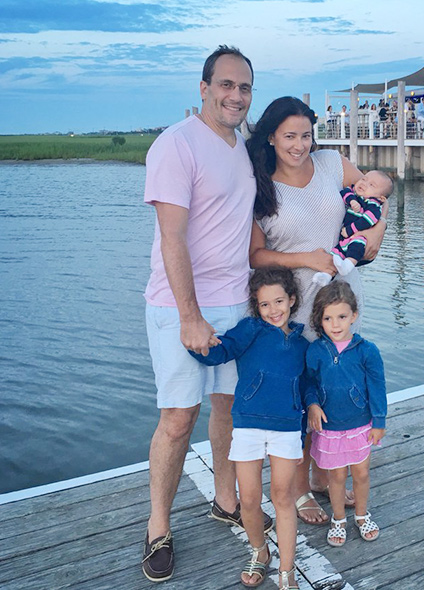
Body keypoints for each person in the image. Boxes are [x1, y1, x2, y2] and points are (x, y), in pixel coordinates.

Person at [141, 45, 273, 583]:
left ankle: (227, 501)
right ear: (204, 88)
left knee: (228, 407)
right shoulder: (176, 144)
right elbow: (171, 236)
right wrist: (191, 316)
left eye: (244, 87)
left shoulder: (243, 147)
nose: (235, 95)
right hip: (181, 307)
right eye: (226, 85)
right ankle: (156, 527)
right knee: (178, 419)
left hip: (236, 301)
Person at [246, 96, 387, 526]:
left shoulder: (332, 163)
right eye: (289, 136)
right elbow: (256, 256)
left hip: (340, 302)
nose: (299, 144)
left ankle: (331, 475)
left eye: (306, 135)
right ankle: (302, 488)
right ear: (271, 137)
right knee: (304, 402)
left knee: (339, 392)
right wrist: (305, 257)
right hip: (293, 307)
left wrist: (375, 237)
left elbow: (375, 198)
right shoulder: (261, 186)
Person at [189, 267, 308, 589]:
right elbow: (221, 351)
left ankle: (287, 569)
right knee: (250, 500)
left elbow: (308, 388)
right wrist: (196, 341)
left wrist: (306, 423)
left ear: (292, 300)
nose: (273, 310)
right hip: (247, 427)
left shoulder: (303, 344)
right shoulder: (250, 330)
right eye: (265, 304)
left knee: (283, 497)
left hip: (286, 430)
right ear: (256, 306)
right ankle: (260, 550)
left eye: (279, 301)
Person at [305, 282, 386, 547]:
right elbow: (308, 383)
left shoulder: (367, 351)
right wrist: (313, 404)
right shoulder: (316, 351)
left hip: (361, 425)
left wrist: (379, 421)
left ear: (354, 315)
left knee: (361, 473)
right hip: (330, 427)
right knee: (336, 477)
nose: (335, 324)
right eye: (328, 318)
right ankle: (338, 519)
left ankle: (361, 515)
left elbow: (377, 387)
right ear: (320, 319)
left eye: (342, 317)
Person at [312, 171, 394, 286]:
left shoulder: (373, 204)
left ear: (381, 198)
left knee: (357, 246)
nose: (364, 184)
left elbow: (368, 220)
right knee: (335, 255)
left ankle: (348, 264)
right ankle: (326, 276)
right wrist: (352, 201)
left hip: (358, 235)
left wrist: (350, 230)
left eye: (372, 185)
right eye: (364, 179)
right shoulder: (354, 194)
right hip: (344, 238)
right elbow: (344, 193)